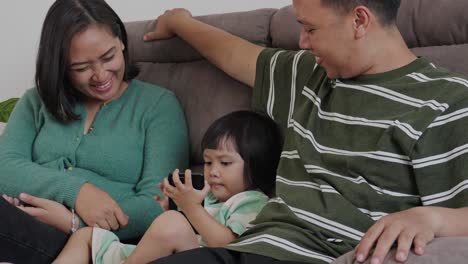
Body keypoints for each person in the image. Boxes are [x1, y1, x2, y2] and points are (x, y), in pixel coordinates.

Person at [138, 1, 468, 264]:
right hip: (253, 247)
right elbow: (234, 54)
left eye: (310, 28)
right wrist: (179, 21)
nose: (302, 41)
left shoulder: (445, 102)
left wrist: (434, 219)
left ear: (360, 21)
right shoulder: (312, 75)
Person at [0, 0, 188, 262]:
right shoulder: (36, 101)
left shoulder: (158, 106)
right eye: (81, 68)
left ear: (121, 41)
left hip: (98, 245)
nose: (101, 75)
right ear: (60, 65)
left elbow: (157, 205)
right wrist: (78, 192)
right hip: (23, 224)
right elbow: (4, 166)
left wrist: (75, 223)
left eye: (108, 57)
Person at [53, 110, 282, 264]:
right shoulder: (208, 197)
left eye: (225, 163)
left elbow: (229, 247)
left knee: (173, 223)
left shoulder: (253, 201)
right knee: (87, 236)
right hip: (150, 255)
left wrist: (189, 210)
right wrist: (170, 208)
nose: (213, 171)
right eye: (208, 161)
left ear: (256, 166)